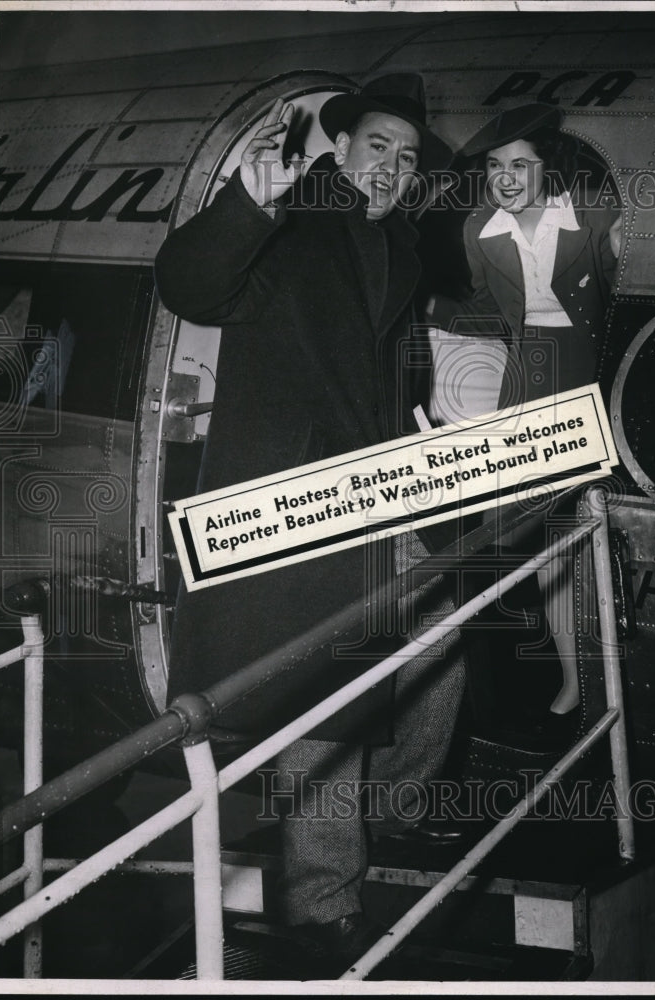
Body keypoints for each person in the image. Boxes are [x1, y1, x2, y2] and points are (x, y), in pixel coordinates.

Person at [155, 75, 464, 969]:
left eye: (407, 156)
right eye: (378, 146)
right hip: (288, 501)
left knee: (441, 628)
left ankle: (394, 806)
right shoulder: (289, 219)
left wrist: (418, 436)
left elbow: (375, 371)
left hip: (371, 488)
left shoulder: (396, 245)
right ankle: (322, 898)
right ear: (343, 148)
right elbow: (190, 285)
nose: (391, 167)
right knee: (322, 692)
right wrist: (247, 204)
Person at [428, 103, 621, 735]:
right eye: (494, 166)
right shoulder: (479, 230)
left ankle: (605, 671)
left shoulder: (594, 214)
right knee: (537, 544)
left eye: (519, 164)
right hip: (526, 385)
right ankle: (572, 675)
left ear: (547, 168)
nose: (505, 178)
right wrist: (424, 311)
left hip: (590, 378)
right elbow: (489, 312)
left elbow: (624, 292)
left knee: (590, 528)